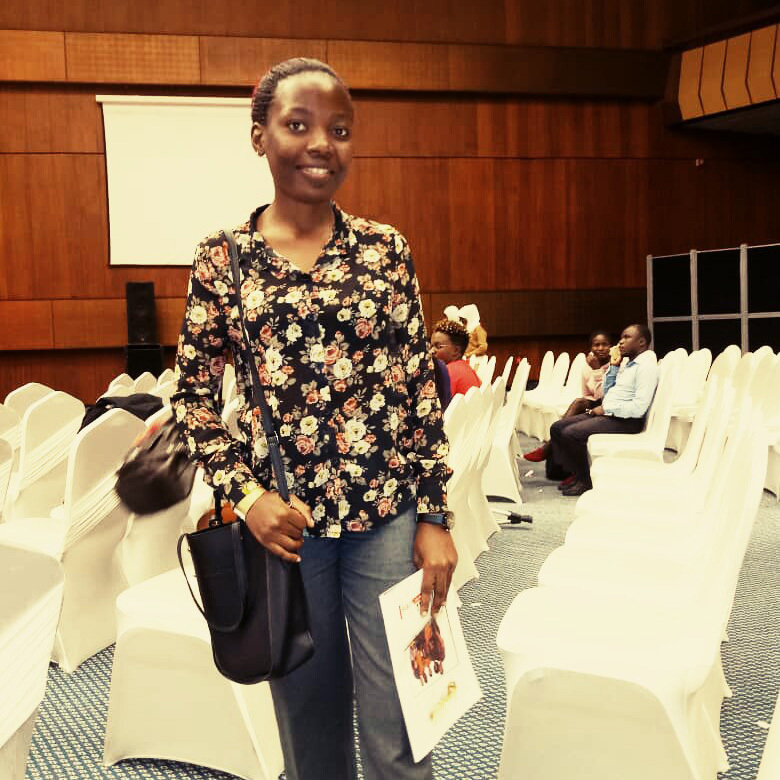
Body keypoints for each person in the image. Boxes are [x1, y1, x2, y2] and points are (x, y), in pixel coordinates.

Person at [171, 58, 457, 780]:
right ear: (259, 136)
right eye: (297, 125)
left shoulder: (385, 250)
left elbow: (420, 391)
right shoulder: (223, 259)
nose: (321, 144)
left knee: (402, 726)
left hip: (388, 521)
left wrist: (435, 516)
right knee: (310, 725)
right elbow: (195, 396)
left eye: (340, 130)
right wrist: (247, 495)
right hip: (286, 534)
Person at [548, 323, 658, 497]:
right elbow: (607, 392)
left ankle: (585, 480)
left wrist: (606, 408)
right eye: (621, 337)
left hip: (626, 421)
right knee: (558, 427)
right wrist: (613, 367)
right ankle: (577, 474)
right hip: (612, 415)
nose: (620, 342)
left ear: (642, 342)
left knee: (571, 434)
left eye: (627, 337)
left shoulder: (646, 367)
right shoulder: (628, 364)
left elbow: (639, 408)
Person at [523, 330, 612, 463]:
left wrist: (597, 370)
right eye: (596, 345)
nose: (600, 348)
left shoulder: (615, 365)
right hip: (594, 404)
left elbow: (604, 395)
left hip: (608, 405)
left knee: (576, 409)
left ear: (611, 346)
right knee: (579, 403)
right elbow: (588, 394)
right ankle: (555, 451)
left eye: (604, 344)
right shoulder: (587, 366)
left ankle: (549, 448)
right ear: (591, 348)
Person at [431, 318, 482, 396]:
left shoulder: (448, 372)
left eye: (438, 346)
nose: (431, 351)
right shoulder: (464, 366)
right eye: (431, 346)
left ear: (456, 350)